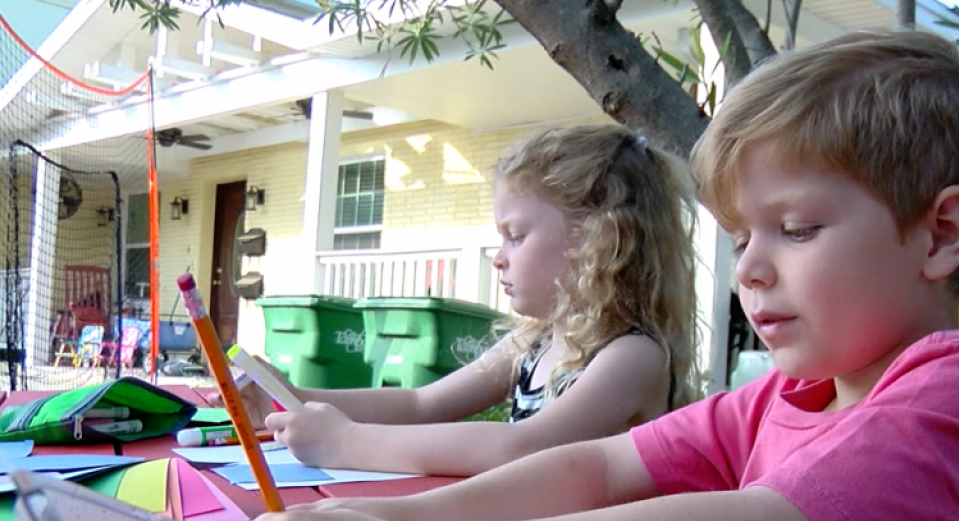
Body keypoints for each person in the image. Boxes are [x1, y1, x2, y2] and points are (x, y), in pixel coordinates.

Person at [242, 30, 959, 521]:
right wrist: (383, 519)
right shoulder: (781, 399)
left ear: (940, 233)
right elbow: (591, 470)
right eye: (741, 239)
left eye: (797, 229)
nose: (752, 269)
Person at [250, 124, 700, 477]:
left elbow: (520, 448)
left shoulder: (631, 357)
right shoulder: (536, 343)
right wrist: (287, 396)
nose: (499, 259)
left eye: (517, 236)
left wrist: (348, 442)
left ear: (599, 240)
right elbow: (420, 405)